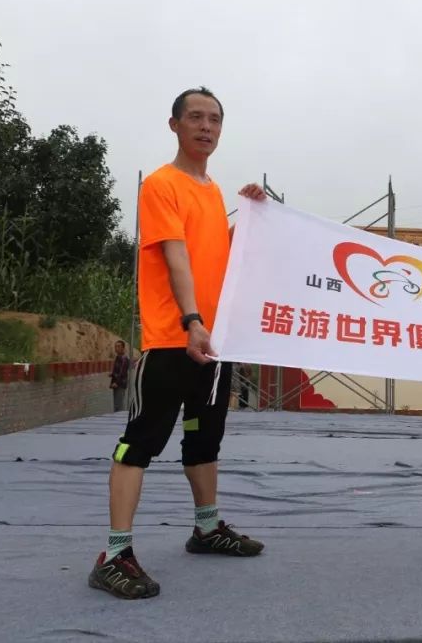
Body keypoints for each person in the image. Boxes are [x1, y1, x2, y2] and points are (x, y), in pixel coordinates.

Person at [88, 87, 268, 599]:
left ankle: (207, 528)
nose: (206, 127)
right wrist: (191, 320)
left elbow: (219, 256)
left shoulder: (212, 191)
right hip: (175, 340)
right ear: (175, 125)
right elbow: (176, 257)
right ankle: (114, 553)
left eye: (214, 119)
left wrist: (257, 213)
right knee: (139, 443)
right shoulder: (163, 185)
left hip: (213, 344)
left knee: (204, 438)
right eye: (195, 117)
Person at [109, 340, 130, 412]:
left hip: (120, 384)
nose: (116, 348)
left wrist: (116, 383)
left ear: (123, 348)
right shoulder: (118, 357)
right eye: (115, 346)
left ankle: (120, 421)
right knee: (117, 405)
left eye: (118, 346)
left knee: (119, 405)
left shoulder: (124, 359)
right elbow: (118, 371)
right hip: (117, 384)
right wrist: (112, 374)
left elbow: (122, 373)